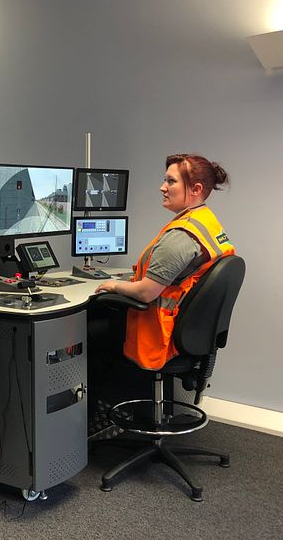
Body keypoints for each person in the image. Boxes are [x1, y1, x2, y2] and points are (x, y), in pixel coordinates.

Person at [89, 153, 234, 421]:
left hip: (159, 332)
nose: (162, 187)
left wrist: (112, 285)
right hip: (189, 332)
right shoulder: (206, 223)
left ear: (196, 189)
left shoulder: (181, 236)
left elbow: (146, 293)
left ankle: (102, 415)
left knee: (88, 336)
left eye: (171, 181)